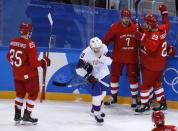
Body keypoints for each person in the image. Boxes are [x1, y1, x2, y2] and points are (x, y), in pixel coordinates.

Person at [134, 4, 176, 113]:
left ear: (150, 24)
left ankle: (144, 105)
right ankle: (162, 103)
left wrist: (142, 37)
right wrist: (164, 14)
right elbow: (167, 24)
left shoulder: (155, 35)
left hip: (152, 65)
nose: (144, 25)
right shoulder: (162, 28)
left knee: (145, 85)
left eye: (146, 23)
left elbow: (152, 47)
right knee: (157, 83)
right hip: (160, 64)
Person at [6, 22, 51, 124]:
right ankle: (27, 115)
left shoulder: (13, 42)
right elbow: (34, 63)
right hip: (30, 75)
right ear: (30, 32)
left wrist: (17, 67)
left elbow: (8, 57)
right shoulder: (30, 44)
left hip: (16, 74)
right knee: (33, 94)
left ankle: (17, 116)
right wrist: (44, 62)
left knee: (20, 94)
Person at [102, 8, 139, 108]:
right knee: (114, 76)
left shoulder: (135, 27)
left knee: (133, 78)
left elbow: (142, 40)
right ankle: (113, 97)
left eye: (128, 18)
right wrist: (100, 49)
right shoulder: (115, 27)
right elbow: (106, 40)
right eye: (124, 18)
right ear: (121, 17)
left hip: (132, 58)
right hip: (118, 57)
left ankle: (134, 98)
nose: (126, 20)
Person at [76, 37, 112, 123]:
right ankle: (97, 113)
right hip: (93, 75)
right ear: (91, 47)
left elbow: (110, 62)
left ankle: (95, 108)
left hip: (103, 73)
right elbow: (78, 69)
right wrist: (88, 76)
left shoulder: (104, 47)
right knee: (97, 95)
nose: (97, 50)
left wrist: (101, 56)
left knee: (103, 93)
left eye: (98, 48)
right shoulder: (85, 53)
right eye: (95, 48)